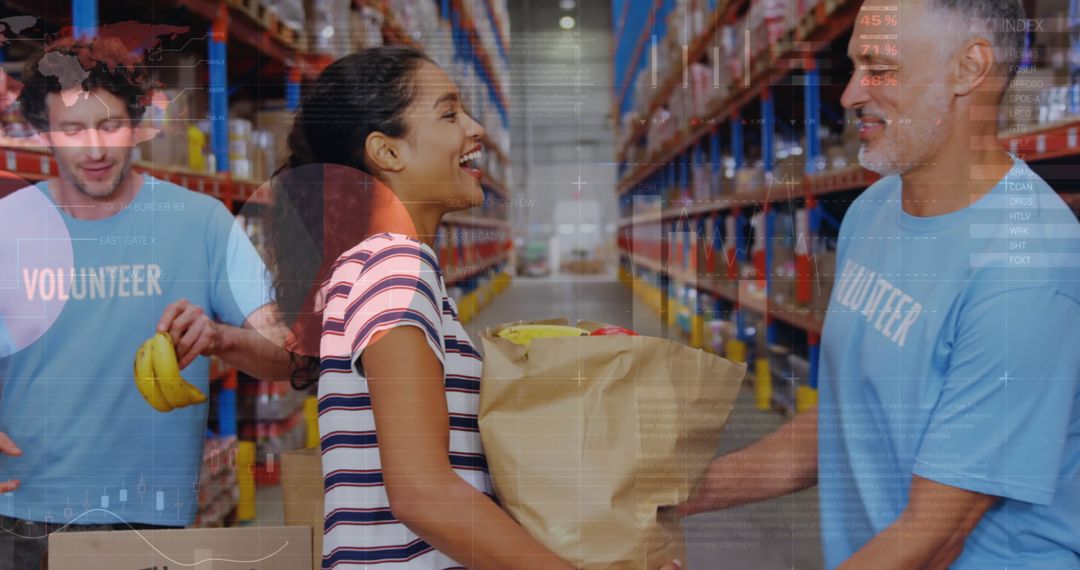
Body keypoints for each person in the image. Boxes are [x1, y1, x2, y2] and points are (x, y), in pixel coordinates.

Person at [681, 1, 1079, 568]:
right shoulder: (874, 210)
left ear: (969, 69)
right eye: (853, 68)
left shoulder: (1025, 270)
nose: (849, 96)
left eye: (880, 69)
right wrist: (674, 496)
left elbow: (935, 537)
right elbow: (850, 420)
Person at [263, 47, 681, 570]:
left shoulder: (382, 267)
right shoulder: (392, 267)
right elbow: (423, 493)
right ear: (387, 153)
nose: (476, 128)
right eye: (449, 113)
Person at [0, 35, 292, 569]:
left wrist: (221, 338)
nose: (94, 149)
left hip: (152, 515)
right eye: (71, 130)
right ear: (43, 132)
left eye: (110, 125)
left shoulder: (202, 222)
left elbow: (286, 354)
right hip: (21, 511)